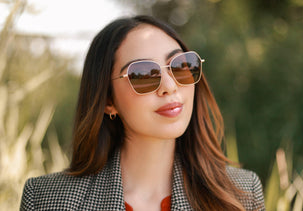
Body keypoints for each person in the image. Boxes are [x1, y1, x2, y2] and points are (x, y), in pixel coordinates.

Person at [20, 15, 265, 211]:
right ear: (108, 100)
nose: (170, 87)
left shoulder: (242, 194)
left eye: (181, 66)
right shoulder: (46, 199)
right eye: (144, 74)